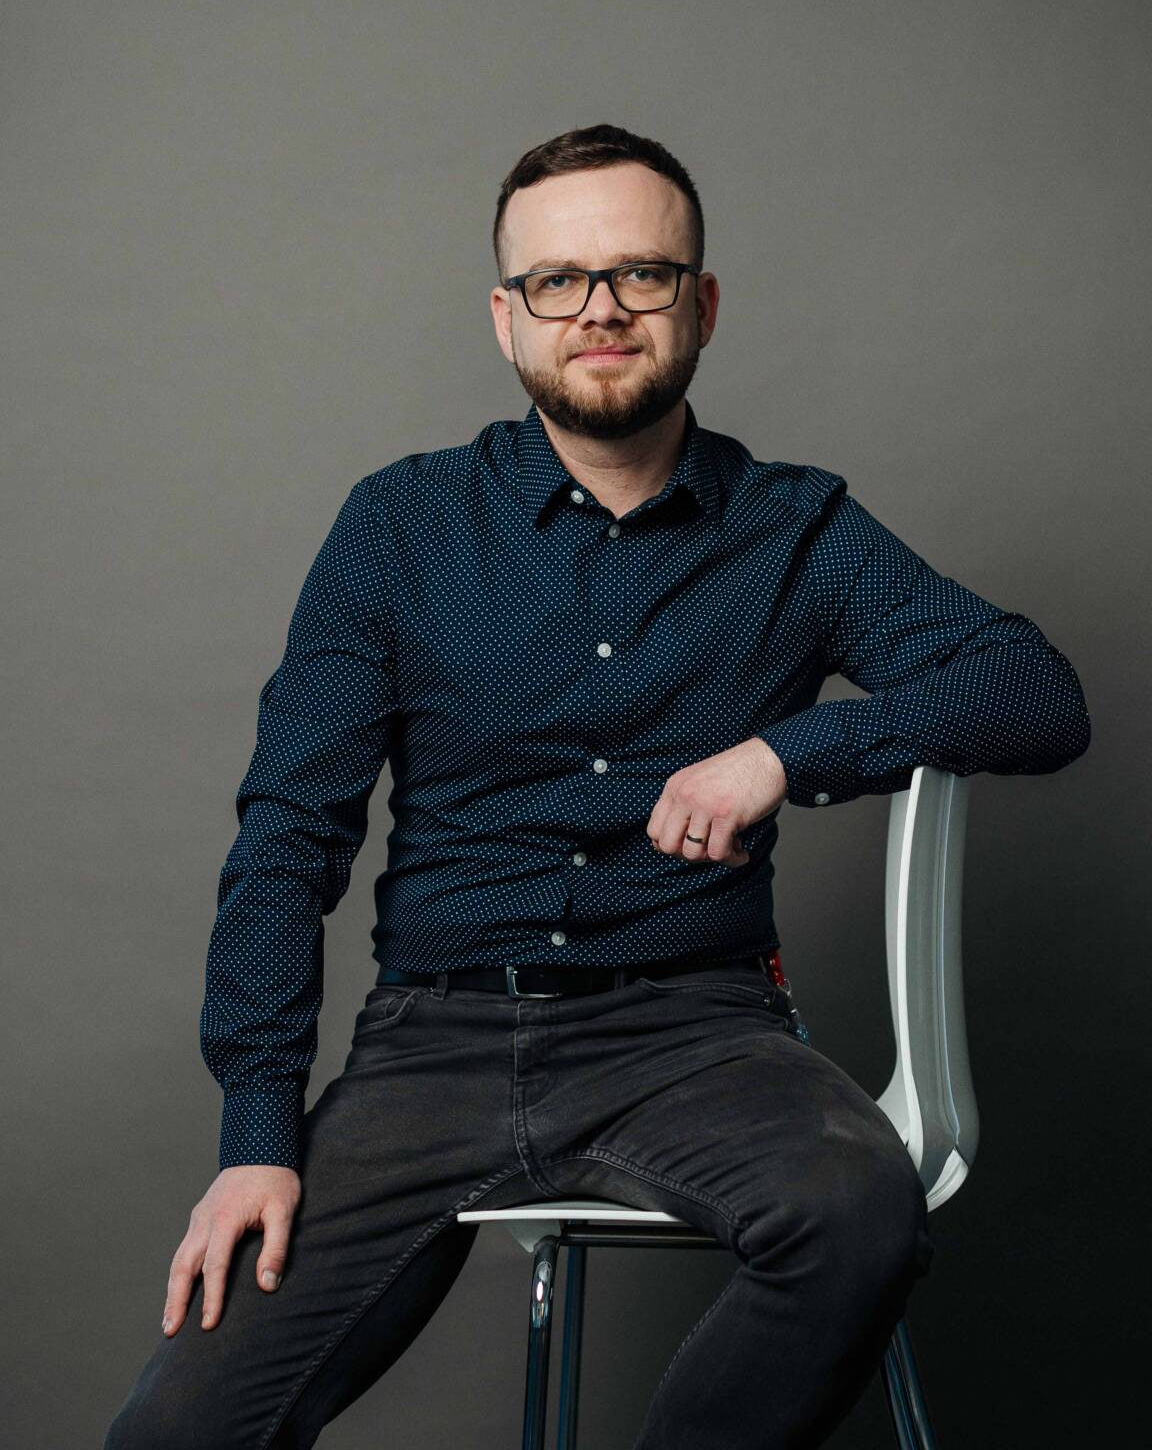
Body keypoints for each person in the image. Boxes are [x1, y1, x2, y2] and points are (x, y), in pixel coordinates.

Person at [104, 123, 1091, 1449]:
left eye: (642, 274)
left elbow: (1035, 693)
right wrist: (255, 1138)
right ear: (507, 319)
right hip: (433, 1047)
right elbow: (289, 835)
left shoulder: (796, 527)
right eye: (559, 280)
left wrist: (786, 754)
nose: (602, 310)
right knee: (174, 1435)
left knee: (858, 1214)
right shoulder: (400, 527)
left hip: (695, 1035)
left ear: (702, 305)